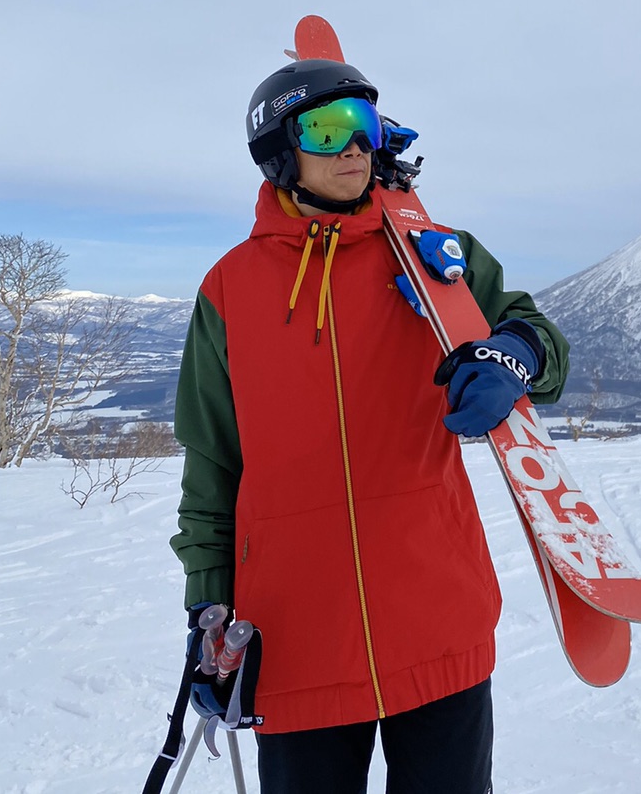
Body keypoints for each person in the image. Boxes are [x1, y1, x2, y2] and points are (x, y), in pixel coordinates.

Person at [168, 52, 570, 794]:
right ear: (280, 154)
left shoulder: (433, 253)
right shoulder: (230, 289)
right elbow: (212, 458)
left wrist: (512, 355)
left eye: (363, 125)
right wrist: (208, 594)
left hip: (436, 620)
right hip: (295, 639)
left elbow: (539, 339)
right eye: (327, 129)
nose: (353, 145)